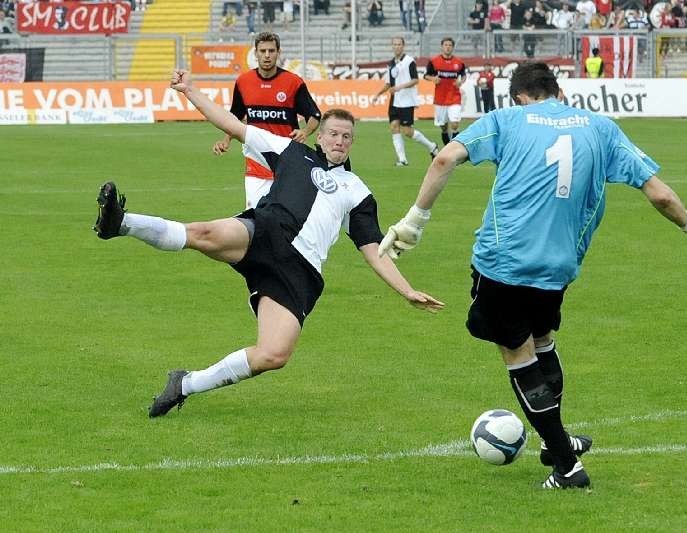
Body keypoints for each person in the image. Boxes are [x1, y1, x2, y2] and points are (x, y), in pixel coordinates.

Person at [378, 61, 687, 489]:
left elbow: (445, 156)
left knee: (517, 355)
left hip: (505, 263)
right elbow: (659, 193)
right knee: (542, 343)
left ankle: (565, 466)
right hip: (558, 268)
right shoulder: (601, 127)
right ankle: (555, 441)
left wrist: (414, 221)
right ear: (557, 89)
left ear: (519, 96)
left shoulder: (507, 119)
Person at [93, 70, 444, 418]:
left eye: (347, 136)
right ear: (319, 137)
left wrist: (406, 290)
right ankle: (119, 222)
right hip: (266, 231)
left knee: (273, 355)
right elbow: (232, 125)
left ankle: (184, 385)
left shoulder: (358, 191)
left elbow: (374, 250)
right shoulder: (290, 152)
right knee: (203, 234)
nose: (340, 141)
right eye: (334, 134)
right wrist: (190, 90)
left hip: (300, 271)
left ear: (353, 143)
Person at [212, 32, 321, 209]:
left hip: (287, 163)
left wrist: (305, 131)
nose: (267, 55)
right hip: (256, 163)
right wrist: (225, 140)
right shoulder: (243, 82)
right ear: (255, 53)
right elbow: (234, 117)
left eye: (271, 50)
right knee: (255, 217)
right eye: (262, 51)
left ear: (279, 52)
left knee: (287, 218)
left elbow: (314, 116)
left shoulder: (293, 82)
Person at [371, 37, 439, 167]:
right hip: (394, 101)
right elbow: (388, 83)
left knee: (408, 131)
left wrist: (399, 87)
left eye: (399, 44)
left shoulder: (409, 61)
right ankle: (402, 159)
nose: (397, 46)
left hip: (407, 100)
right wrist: (378, 95)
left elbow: (415, 80)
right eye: (394, 44)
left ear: (403, 46)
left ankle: (432, 147)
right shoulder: (390, 63)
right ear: (392, 46)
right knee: (394, 127)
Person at [424, 37, 466, 147]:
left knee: (455, 124)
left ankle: (455, 147)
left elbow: (464, 75)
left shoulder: (459, 63)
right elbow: (426, 75)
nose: (448, 47)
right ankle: (447, 145)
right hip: (440, 99)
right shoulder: (434, 62)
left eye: (450, 45)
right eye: (445, 45)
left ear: (453, 47)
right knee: (443, 126)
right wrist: (433, 79)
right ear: (442, 47)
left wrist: (460, 82)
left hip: (454, 97)